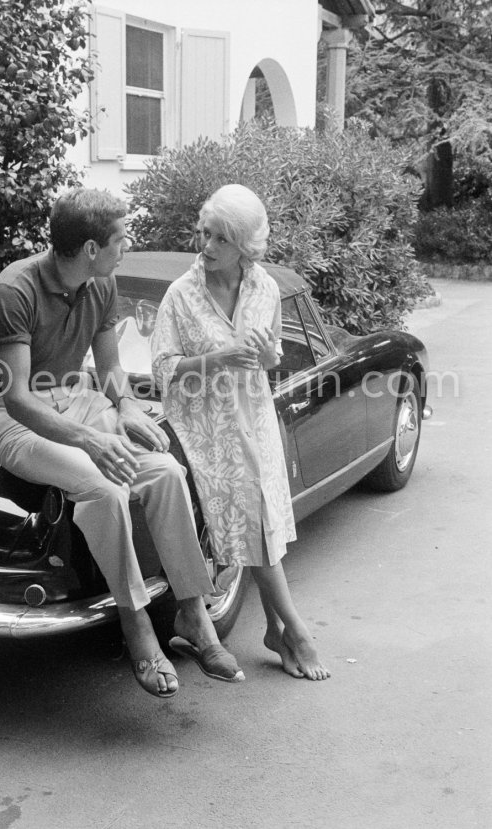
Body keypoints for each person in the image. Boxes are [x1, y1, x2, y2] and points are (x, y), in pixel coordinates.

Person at [0, 187, 244, 699]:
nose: (128, 246)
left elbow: (111, 369)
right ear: (91, 248)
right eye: (121, 239)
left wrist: (124, 407)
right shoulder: (13, 291)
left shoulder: (101, 283)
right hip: (14, 419)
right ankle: (136, 623)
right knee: (104, 489)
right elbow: (14, 401)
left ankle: (192, 612)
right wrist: (89, 443)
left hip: (75, 400)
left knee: (165, 471)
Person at [152, 184, 330, 681]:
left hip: (255, 418)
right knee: (254, 518)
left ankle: (279, 629)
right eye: (204, 233)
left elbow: (272, 354)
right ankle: (295, 630)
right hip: (207, 430)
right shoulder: (181, 296)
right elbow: (164, 370)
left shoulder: (265, 288)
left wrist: (267, 355)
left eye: (219, 239)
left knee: (266, 518)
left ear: (244, 246)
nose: (205, 246)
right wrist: (221, 358)